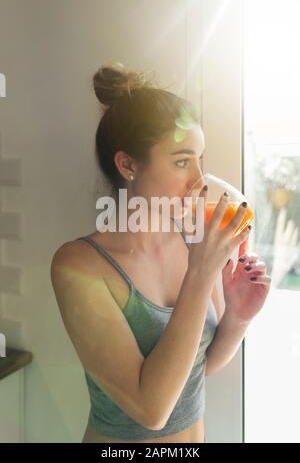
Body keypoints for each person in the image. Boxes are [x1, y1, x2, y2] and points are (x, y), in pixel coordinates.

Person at [50, 61, 271, 443]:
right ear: (128, 165)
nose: (199, 180)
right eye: (182, 161)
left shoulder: (191, 240)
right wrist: (200, 275)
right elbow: (152, 409)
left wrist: (237, 319)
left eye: (199, 160)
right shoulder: (78, 265)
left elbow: (195, 371)